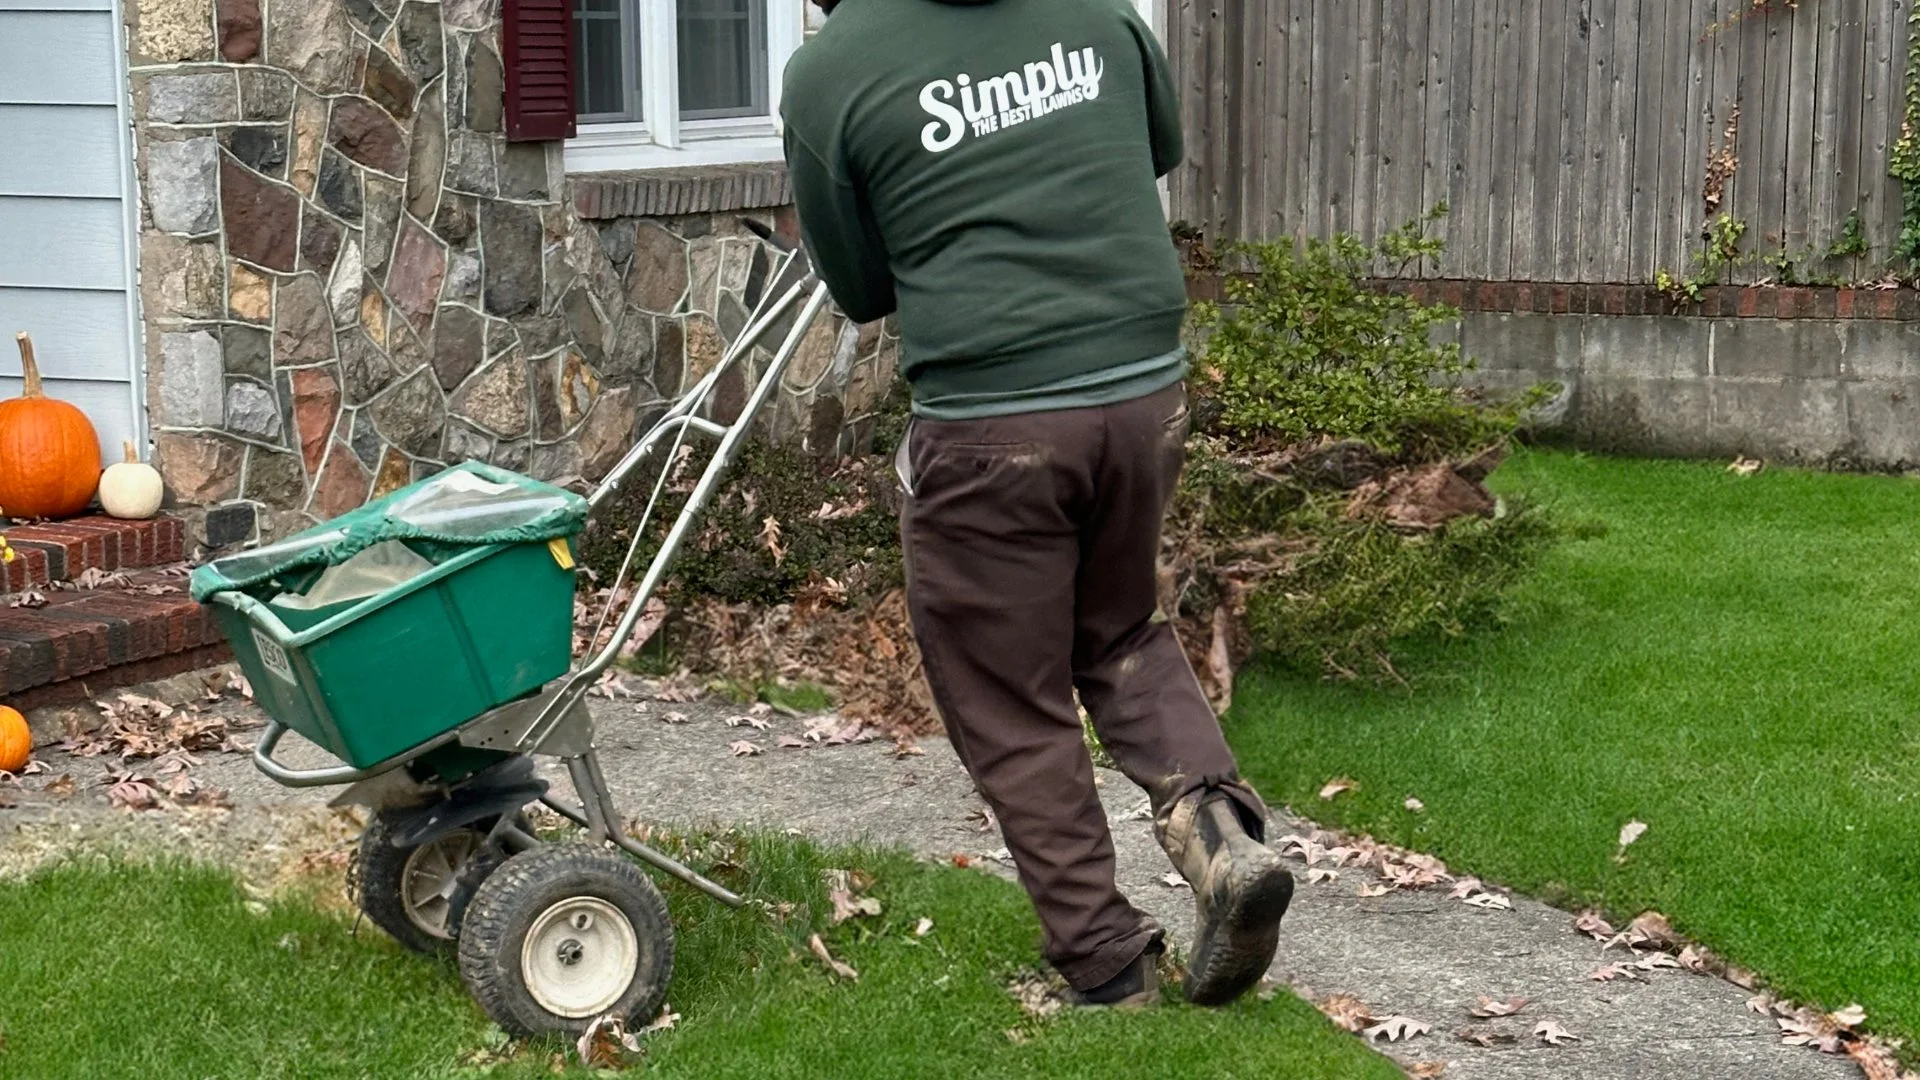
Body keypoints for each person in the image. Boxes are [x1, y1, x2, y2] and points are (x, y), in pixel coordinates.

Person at [780, 0, 1292, 1008]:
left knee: (1007, 693)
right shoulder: (1100, 16)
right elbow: (1157, 147)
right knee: (1120, 633)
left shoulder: (830, 72)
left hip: (995, 422)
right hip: (1145, 393)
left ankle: (1105, 963)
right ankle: (1215, 832)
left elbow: (860, 285)